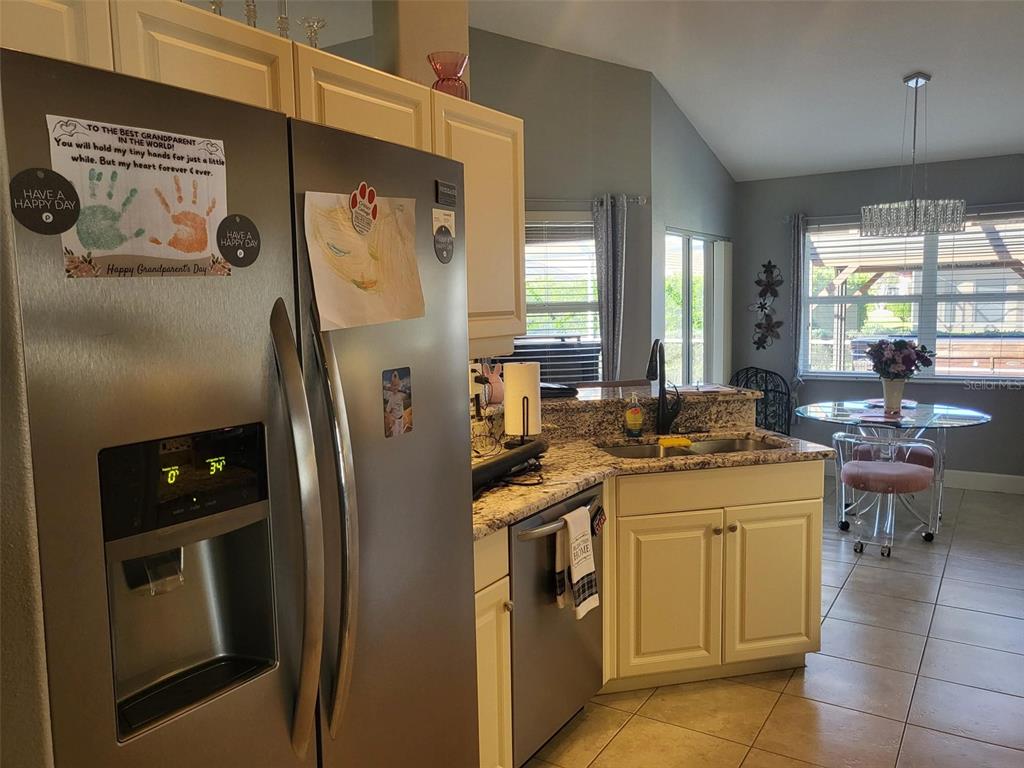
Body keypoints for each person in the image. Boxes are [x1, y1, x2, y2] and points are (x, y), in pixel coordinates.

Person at [384, 370, 408, 436]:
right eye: (393, 386)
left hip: (401, 418)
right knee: (396, 434)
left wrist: (404, 415)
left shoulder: (401, 395)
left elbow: (405, 396)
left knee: (401, 432)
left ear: (399, 385)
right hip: (395, 421)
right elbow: (387, 411)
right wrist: (391, 419)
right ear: (391, 386)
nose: (395, 388)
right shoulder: (391, 398)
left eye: (396, 385)